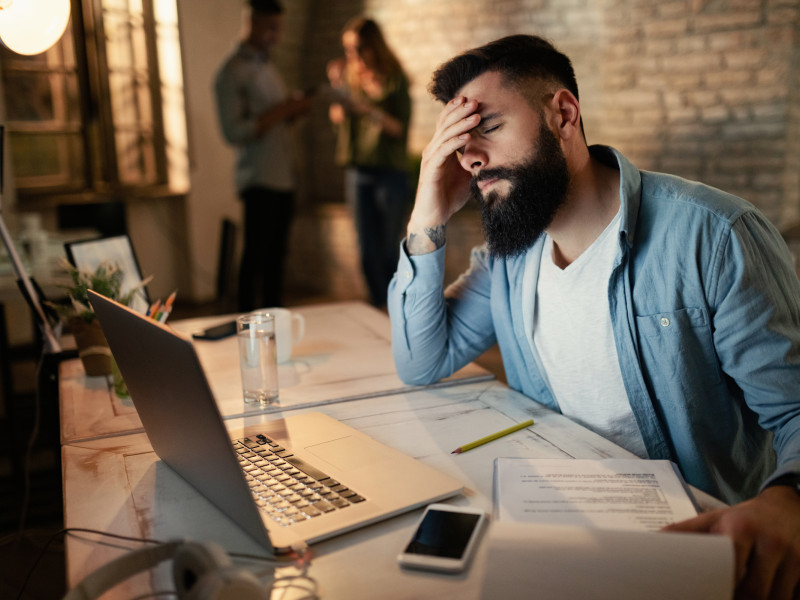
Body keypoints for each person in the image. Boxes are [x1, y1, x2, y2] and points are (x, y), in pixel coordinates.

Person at [388, 35, 800, 599]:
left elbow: (795, 407)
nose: (470, 158)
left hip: (695, 556)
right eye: (458, 143)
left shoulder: (714, 236)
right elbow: (421, 359)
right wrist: (425, 213)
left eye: (486, 128)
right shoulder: (509, 261)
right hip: (567, 536)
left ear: (563, 113)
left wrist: (788, 499)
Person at [214, 0, 313, 311]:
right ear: (251, 22)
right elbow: (234, 132)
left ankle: (276, 324)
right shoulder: (231, 72)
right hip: (258, 178)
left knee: (277, 258)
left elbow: (275, 120)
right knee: (256, 256)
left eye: (279, 28)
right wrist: (284, 109)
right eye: (271, 27)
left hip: (283, 175)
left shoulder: (267, 66)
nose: (276, 35)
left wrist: (293, 112)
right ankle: (248, 326)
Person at [327, 17, 411, 308]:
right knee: (366, 249)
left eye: (360, 48)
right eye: (349, 49)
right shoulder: (350, 79)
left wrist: (365, 108)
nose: (354, 56)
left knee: (390, 248)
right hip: (358, 171)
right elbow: (337, 119)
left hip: (390, 172)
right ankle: (378, 307)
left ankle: (396, 307)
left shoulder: (395, 79)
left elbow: (400, 128)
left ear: (375, 46)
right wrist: (337, 89)